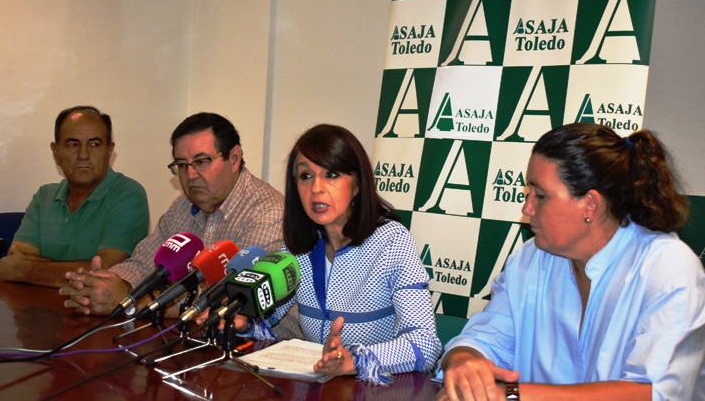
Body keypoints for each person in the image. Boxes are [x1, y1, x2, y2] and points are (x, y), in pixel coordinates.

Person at [436, 123, 705, 401]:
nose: (526, 209)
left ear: (590, 204)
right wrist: (464, 363)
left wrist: (511, 395)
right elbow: (484, 339)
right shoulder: (530, 259)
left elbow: (652, 392)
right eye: (527, 194)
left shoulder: (667, 268)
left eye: (540, 196)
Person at [239, 124, 441, 385]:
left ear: (357, 184)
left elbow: (425, 344)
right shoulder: (295, 253)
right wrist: (242, 323)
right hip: (319, 389)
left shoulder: (391, 242)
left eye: (331, 174)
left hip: (381, 391)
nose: (316, 189)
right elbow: (265, 323)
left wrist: (354, 361)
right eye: (305, 176)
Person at [59, 112, 286, 318]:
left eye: (202, 161)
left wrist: (129, 300)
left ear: (234, 158)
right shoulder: (183, 205)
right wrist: (102, 285)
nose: (190, 174)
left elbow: (229, 302)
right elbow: (142, 263)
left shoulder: (268, 213)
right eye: (181, 164)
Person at [0, 105, 150, 288]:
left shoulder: (128, 194)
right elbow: (16, 258)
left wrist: (25, 270)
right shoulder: (44, 196)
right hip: (35, 312)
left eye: (94, 144)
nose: (83, 155)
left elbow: (104, 274)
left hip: (97, 314)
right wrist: (78, 269)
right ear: (56, 152)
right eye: (73, 144)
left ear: (109, 151)